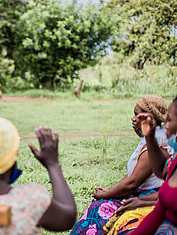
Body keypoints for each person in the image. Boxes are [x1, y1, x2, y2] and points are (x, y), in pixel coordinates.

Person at [71, 95, 173, 235]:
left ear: (150, 119)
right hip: (143, 193)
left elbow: (133, 182)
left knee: (99, 211)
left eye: (138, 115)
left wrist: (105, 195)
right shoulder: (150, 138)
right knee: (98, 205)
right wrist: (108, 191)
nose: (133, 119)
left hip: (147, 194)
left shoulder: (157, 142)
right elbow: (132, 175)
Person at [130, 96, 177, 234]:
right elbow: (161, 170)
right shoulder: (174, 161)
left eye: (169, 120)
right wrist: (150, 137)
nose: (165, 125)